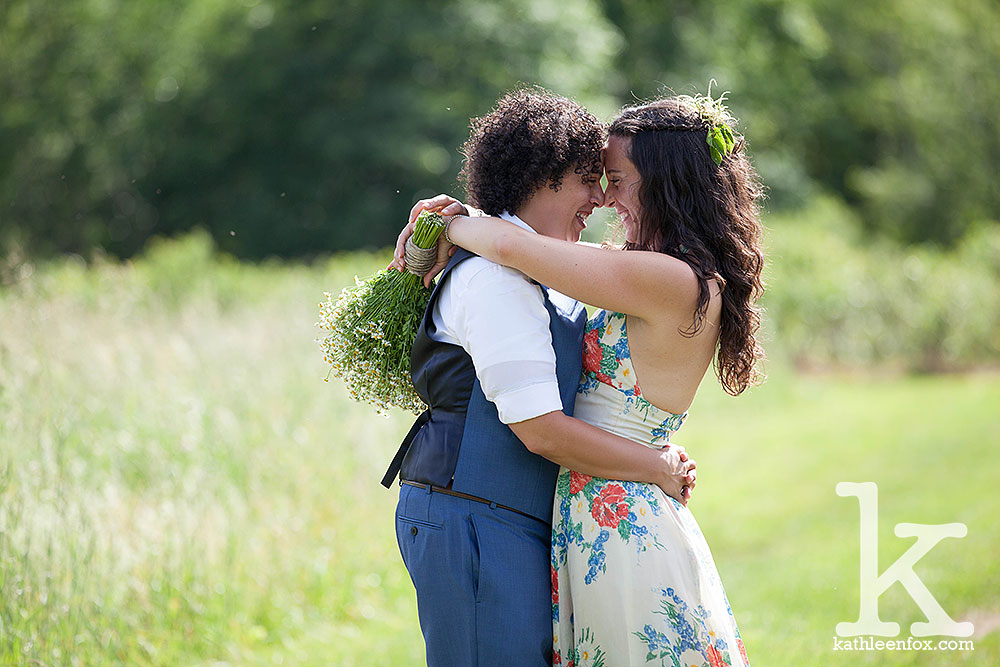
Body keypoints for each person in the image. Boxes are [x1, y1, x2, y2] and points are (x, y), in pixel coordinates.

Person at [399, 93, 763, 666]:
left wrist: (451, 223)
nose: (605, 198)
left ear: (664, 184)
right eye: (595, 180)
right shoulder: (645, 269)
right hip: (596, 510)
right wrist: (461, 221)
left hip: (621, 514)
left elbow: (515, 245)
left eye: (616, 180)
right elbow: (527, 247)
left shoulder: (668, 279)